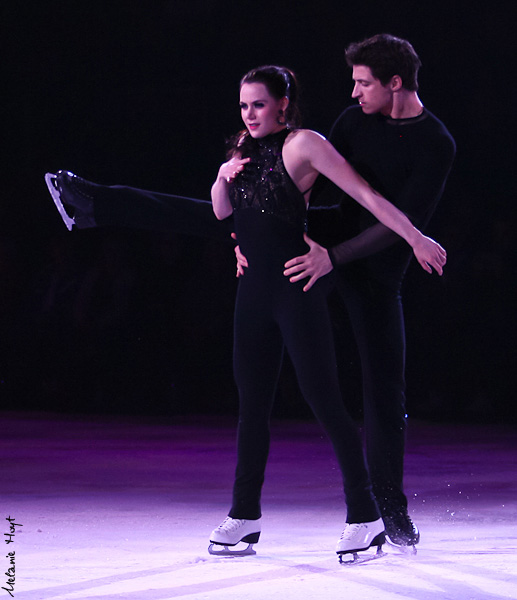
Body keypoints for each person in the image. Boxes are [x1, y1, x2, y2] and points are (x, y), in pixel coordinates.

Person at [44, 33, 455, 551]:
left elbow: (375, 204)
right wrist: (249, 235)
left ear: (394, 83)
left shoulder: (434, 142)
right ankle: (93, 203)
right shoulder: (347, 123)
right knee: (252, 386)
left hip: (373, 262)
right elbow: (289, 190)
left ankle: (381, 509)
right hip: (311, 244)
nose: (353, 93)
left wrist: (404, 241)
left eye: (363, 83)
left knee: (378, 390)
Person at [205, 64, 446, 559]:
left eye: (260, 104)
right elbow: (223, 212)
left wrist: (414, 236)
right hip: (251, 294)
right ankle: (243, 515)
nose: (250, 114)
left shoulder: (305, 145)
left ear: (283, 104)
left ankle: (365, 515)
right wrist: (222, 175)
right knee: (251, 408)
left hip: (296, 288)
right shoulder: (241, 150)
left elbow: (364, 195)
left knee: (325, 404)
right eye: (244, 105)